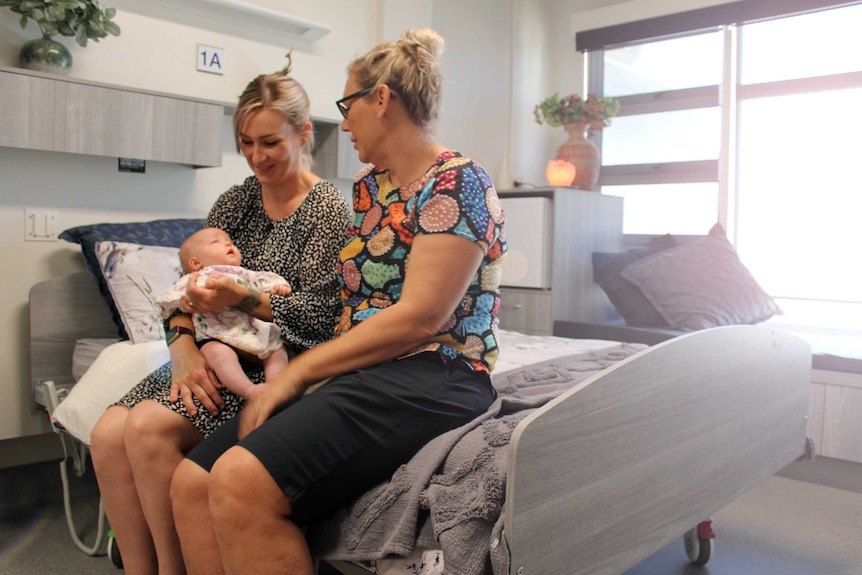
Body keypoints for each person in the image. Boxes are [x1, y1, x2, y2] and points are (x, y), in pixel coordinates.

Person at [170, 28, 507, 575]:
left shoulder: (457, 184)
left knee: (239, 481)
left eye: (347, 106)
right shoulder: (373, 187)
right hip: (364, 367)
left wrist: (295, 378)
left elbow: (421, 318)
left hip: (436, 373)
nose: (343, 123)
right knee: (192, 482)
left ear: (381, 100)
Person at [89, 65, 351, 575]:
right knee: (106, 434)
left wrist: (247, 299)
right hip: (210, 347)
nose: (256, 156)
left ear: (304, 134)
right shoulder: (234, 202)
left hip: (275, 361)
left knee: (145, 428)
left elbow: (323, 318)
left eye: (270, 141)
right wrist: (182, 347)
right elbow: (184, 292)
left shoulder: (328, 212)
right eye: (245, 142)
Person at [157, 227, 293, 401]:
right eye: (216, 242)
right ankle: (248, 390)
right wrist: (186, 301)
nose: (228, 243)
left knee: (276, 347)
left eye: (229, 241)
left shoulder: (246, 273)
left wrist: (277, 289)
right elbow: (167, 303)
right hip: (217, 334)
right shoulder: (197, 278)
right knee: (216, 353)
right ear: (196, 263)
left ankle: (276, 384)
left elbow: (267, 283)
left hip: (253, 330)